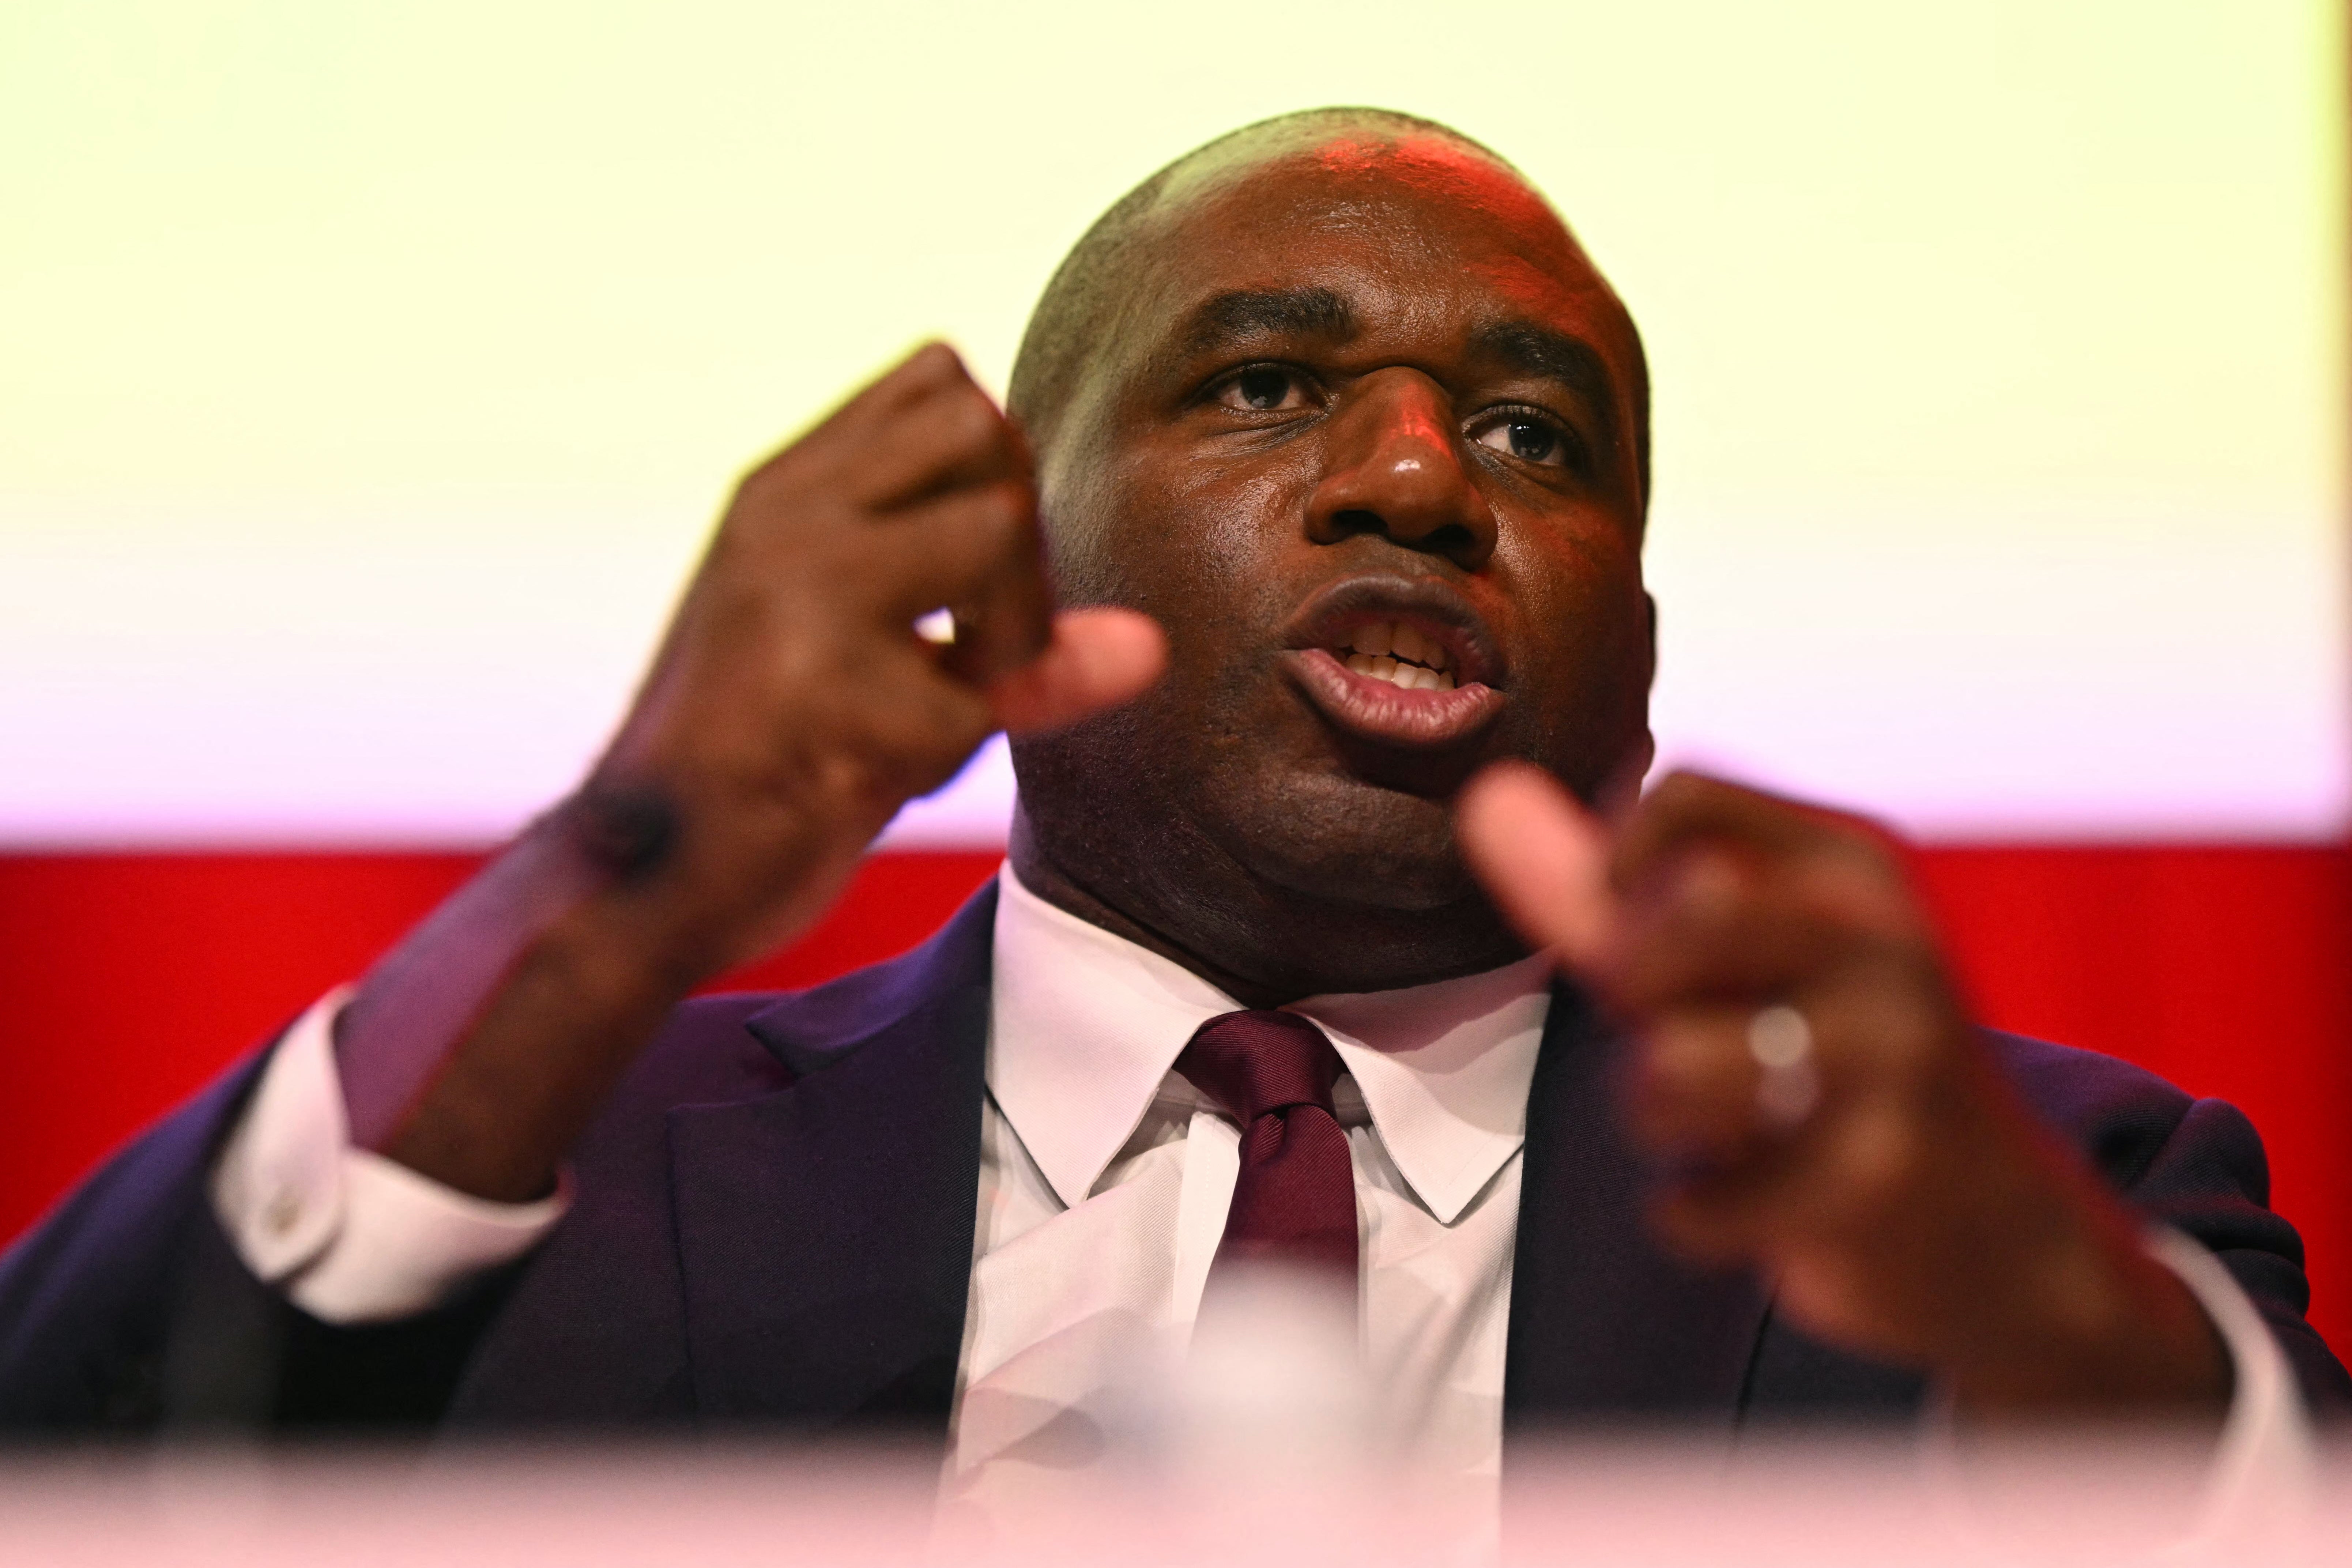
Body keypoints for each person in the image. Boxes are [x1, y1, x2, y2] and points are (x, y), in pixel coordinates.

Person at [1, 110, 2341, 1509]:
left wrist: (2033, 1305)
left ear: (1639, 662)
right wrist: (597, 875)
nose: (1420, 475)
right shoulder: (565, 1160)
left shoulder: (2034, 1211)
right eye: (1267, 384)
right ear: (1022, 549)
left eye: (1536, 440)